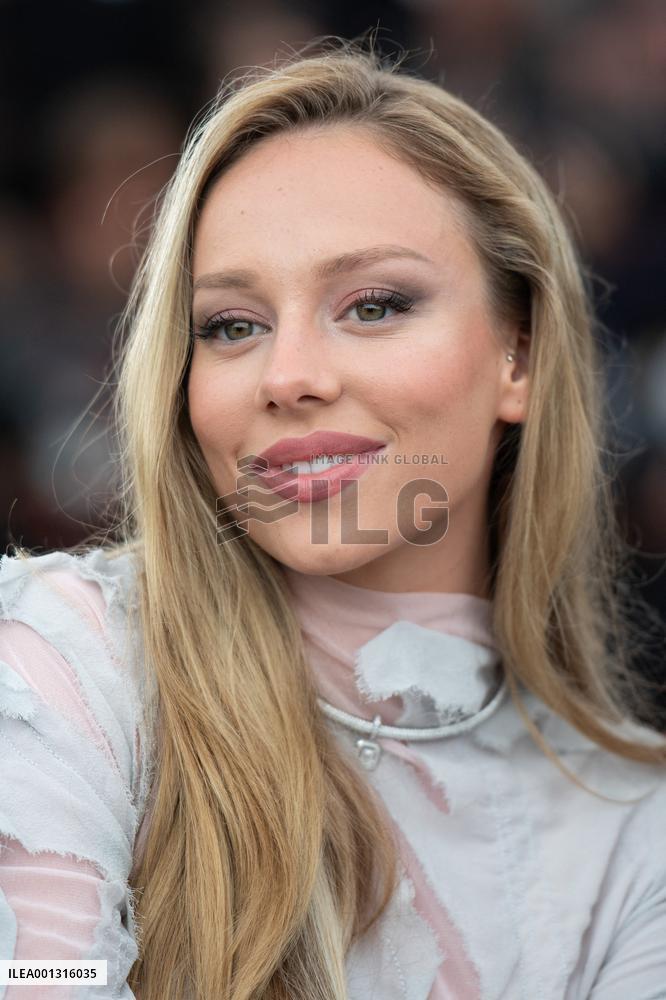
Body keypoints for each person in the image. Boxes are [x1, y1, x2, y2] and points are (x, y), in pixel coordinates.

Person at [1, 38, 665, 1000]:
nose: (289, 377)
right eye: (232, 324)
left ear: (518, 354)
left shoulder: (632, 828)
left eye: (374, 305)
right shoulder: (62, 663)